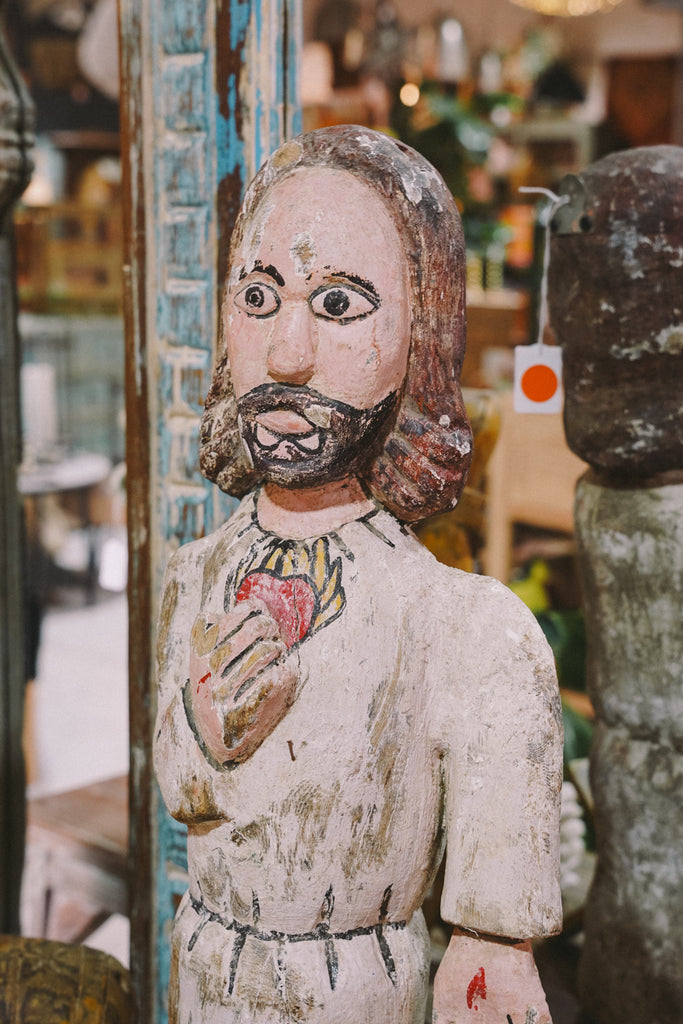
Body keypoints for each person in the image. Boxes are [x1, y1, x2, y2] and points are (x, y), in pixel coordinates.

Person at [154, 125, 562, 1024]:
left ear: (422, 334)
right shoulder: (194, 575)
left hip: (357, 989)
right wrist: (204, 726)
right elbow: (180, 790)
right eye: (258, 297)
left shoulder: (458, 623)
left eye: (338, 304)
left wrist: (489, 952)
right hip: (202, 970)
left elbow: (494, 944)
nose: (286, 353)